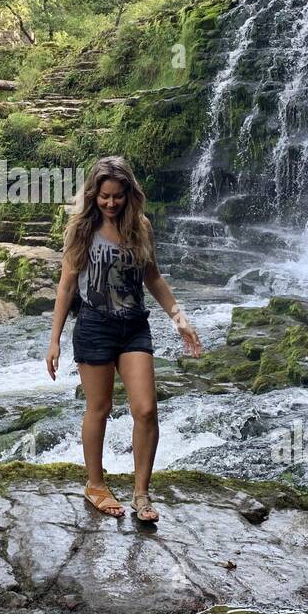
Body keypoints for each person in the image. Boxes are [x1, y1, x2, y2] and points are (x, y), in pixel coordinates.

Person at [45, 156, 203, 523]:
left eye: (117, 196)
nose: (111, 203)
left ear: (129, 194)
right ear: (93, 195)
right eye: (104, 197)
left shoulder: (140, 227)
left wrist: (180, 320)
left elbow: (154, 279)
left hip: (134, 326)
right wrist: (54, 341)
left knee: (146, 409)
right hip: (94, 326)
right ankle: (96, 485)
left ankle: (141, 493)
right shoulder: (82, 229)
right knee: (98, 409)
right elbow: (67, 285)